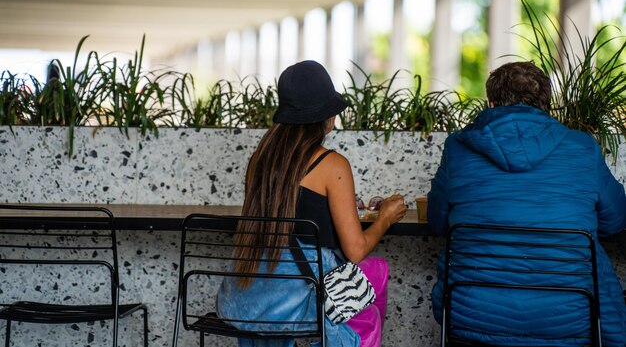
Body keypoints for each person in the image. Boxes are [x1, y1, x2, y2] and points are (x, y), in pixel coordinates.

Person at [428, 61, 626, 346]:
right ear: (546, 106)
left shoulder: (458, 147)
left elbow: (438, 221)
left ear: (492, 103)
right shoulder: (583, 146)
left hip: (473, 311)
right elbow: (616, 219)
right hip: (572, 312)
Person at [217, 60, 407, 347]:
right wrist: (385, 219)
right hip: (299, 305)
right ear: (327, 118)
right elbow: (354, 251)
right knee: (376, 270)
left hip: (245, 303)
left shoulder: (260, 161)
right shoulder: (333, 165)